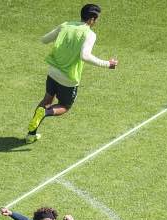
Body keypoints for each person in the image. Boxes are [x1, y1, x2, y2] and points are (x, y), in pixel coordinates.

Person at [25, 3, 118, 143]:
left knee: (46, 100)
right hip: (68, 78)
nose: (97, 21)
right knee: (64, 106)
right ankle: (45, 112)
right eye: (97, 18)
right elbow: (85, 56)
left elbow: (44, 40)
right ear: (92, 19)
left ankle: (31, 134)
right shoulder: (90, 34)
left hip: (52, 71)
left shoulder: (65, 25)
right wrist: (108, 64)